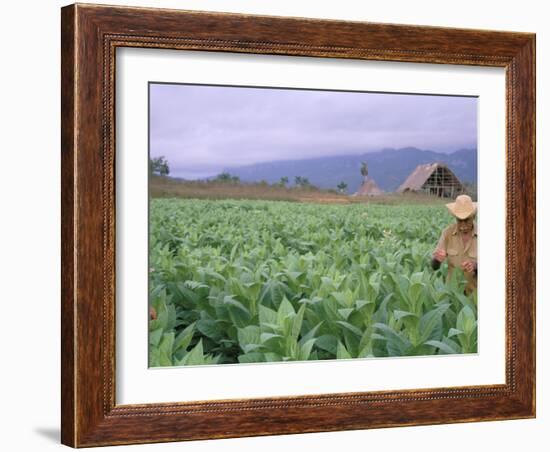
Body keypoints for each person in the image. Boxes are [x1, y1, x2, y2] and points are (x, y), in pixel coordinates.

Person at [431, 194, 478, 295]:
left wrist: (476, 266)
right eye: (459, 221)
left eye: (467, 220)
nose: (463, 226)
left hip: (476, 295)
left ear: (473, 217)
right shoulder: (447, 233)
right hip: (452, 294)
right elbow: (434, 267)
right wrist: (437, 260)